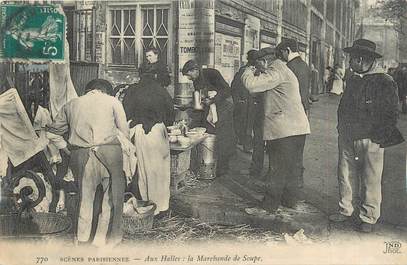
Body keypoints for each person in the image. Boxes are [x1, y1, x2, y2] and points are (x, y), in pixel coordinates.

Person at [329, 39, 404, 233]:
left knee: (371, 177)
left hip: (371, 138)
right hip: (347, 134)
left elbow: (391, 112)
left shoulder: (384, 81)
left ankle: (368, 217)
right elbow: (344, 105)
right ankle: (345, 209)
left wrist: (379, 136)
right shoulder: (354, 78)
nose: (356, 62)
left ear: (369, 60)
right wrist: (341, 127)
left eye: (360, 58)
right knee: (345, 174)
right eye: (354, 58)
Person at [47, 79, 129, 246]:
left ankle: (82, 240)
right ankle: (102, 242)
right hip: (110, 154)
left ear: (88, 90)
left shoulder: (72, 104)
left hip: (81, 155)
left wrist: (67, 149)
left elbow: (52, 133)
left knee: (85, 198)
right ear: (105, 91)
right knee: (110, 199)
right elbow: (124, 132)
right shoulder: (113, 102)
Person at [241, 47, 310, 213]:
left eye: (258, 66)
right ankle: (290, 201)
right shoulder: (284, 69)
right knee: (291, 168)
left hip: (284, 130)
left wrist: (248, 70)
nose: (259, 70)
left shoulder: (276, 70)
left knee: (276, 168)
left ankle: (269, 206)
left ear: (265, 61)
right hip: (297, 128)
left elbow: (251, 85)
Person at [123, 73, 174, 217]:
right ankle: (162, 206)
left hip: (140, 132)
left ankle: (149, 207)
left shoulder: (133, 90)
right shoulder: (161, 90)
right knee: (161, 171)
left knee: (145, 171)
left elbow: (126, 113)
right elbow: (171, 113)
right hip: (158, 131)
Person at [182, 60, 236, 177]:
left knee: (223, 136)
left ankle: (223, 167)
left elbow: (226, 90)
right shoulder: (196, 81)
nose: (189, 78)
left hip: (224, 107)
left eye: (188, 75)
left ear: (195, 70)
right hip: (211, 109)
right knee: (210, 133)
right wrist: (191, 106)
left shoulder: (212, 73)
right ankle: (210, 164)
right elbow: (199, 100)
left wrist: (213, 99)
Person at [276, 38, 311, 190]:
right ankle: (297, 187)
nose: (281, 56)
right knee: (297, 154)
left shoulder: (288, 67)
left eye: (282, 52)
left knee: (285, 155)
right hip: (303, 112)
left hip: (289, 114)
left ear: (287, 50)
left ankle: (287, 189)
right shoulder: (305, 66)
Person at [231, 50, 258, 151]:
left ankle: (248, 145)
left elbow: (234, 86)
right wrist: (239, 100)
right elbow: (234, 87)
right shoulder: (244, 70)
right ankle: (247, 145)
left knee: (249, 125)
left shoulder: (257, 71)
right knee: (247, 125)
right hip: (247, 102)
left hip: (251, 103)